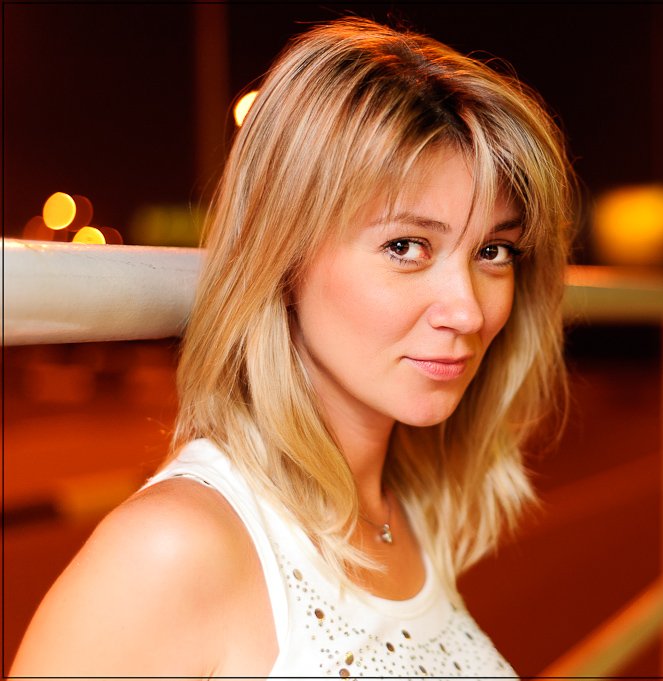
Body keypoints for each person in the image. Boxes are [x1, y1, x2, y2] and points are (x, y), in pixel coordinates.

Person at [12, 16, 576, 677]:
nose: (468, 310)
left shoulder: (406, 507)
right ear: (284, 255)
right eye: (405, 246)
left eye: (494, 250)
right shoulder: (173, 549)